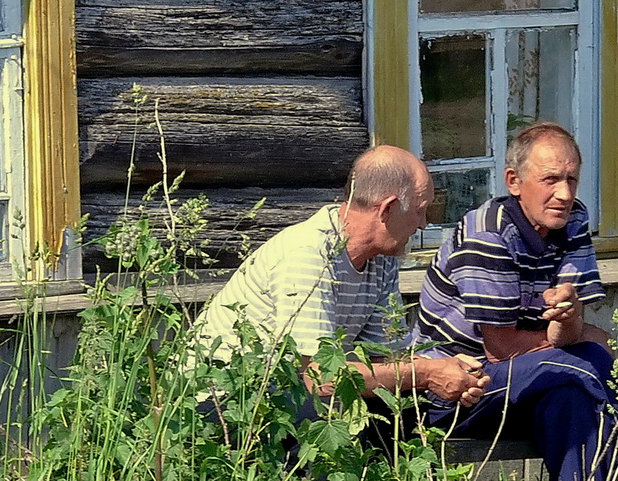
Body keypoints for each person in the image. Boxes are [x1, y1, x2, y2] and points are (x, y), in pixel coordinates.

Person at [408, 122, 618, 481]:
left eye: (572, 179)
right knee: (588, 362)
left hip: (533, 379)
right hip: (457, 388)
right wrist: (578, 337)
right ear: (514, 182)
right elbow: (499, 349)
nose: (566, 194)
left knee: (574, 396)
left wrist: (570, 322)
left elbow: (563, 335)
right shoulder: (489, 233)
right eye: (551, 179)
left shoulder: (573, 220)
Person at [200, 144, 491, 415]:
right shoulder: (310, 254)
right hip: (220, 402)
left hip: (283, 398)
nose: (424, 223)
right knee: (330, 413)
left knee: (404, 411)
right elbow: (319, 379)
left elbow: (387, 360)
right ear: (387, 208)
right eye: (420, 210)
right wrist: (425, 373)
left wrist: (449, 372)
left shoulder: (382, 258)